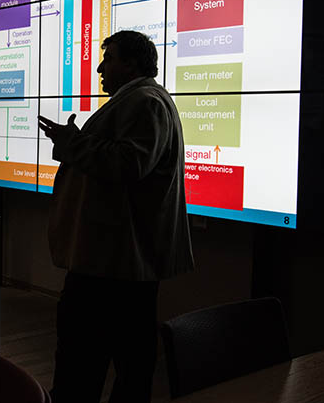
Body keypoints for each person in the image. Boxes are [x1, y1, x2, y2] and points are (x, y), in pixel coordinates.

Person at [38, 30, 194, 403]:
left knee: (83, 361)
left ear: (132, 63)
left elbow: (131, 163)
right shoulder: (139, 99)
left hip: (112, 266)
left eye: (109, 59)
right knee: (129, 360)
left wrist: (72, 143)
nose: (100, 68)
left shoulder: (145, 101)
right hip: (117, 263)